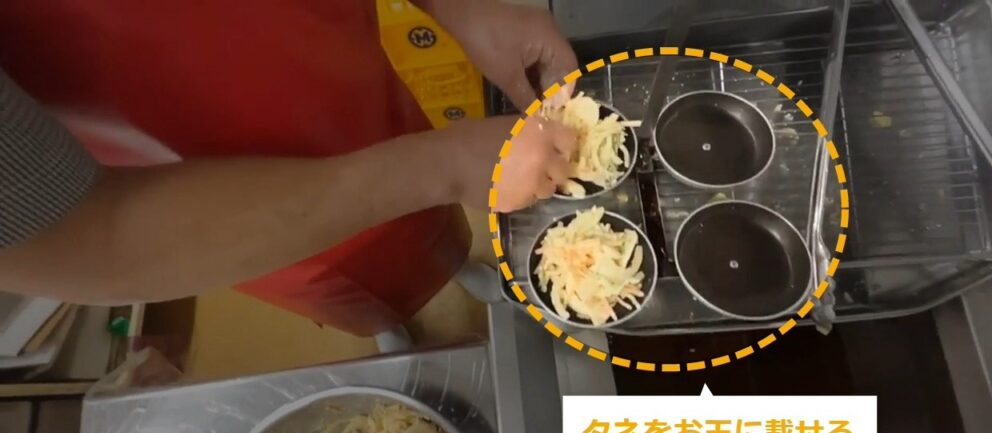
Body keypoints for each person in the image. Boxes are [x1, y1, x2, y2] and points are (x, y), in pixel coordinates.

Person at [0, 0, 577, 312]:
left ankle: (453, 265)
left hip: (343, 70)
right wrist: (440, 166)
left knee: (428, 232)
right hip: (219, 201)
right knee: (353, 285)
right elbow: (95, 241)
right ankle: (386, 323)